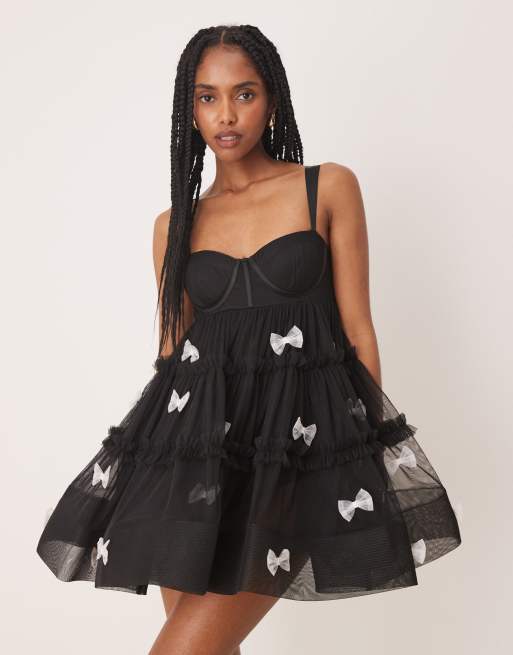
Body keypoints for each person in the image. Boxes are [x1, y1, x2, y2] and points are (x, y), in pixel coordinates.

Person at [36, 24, 462, 655]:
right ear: (189, 111)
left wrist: (364, 451)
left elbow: (358, 331)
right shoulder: (174, 227)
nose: (226, 115)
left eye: (244, 93)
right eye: (207, 97)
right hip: (190, 462)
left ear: (272, 100)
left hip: (296, 455)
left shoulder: (327, 187)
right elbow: (174, 358)